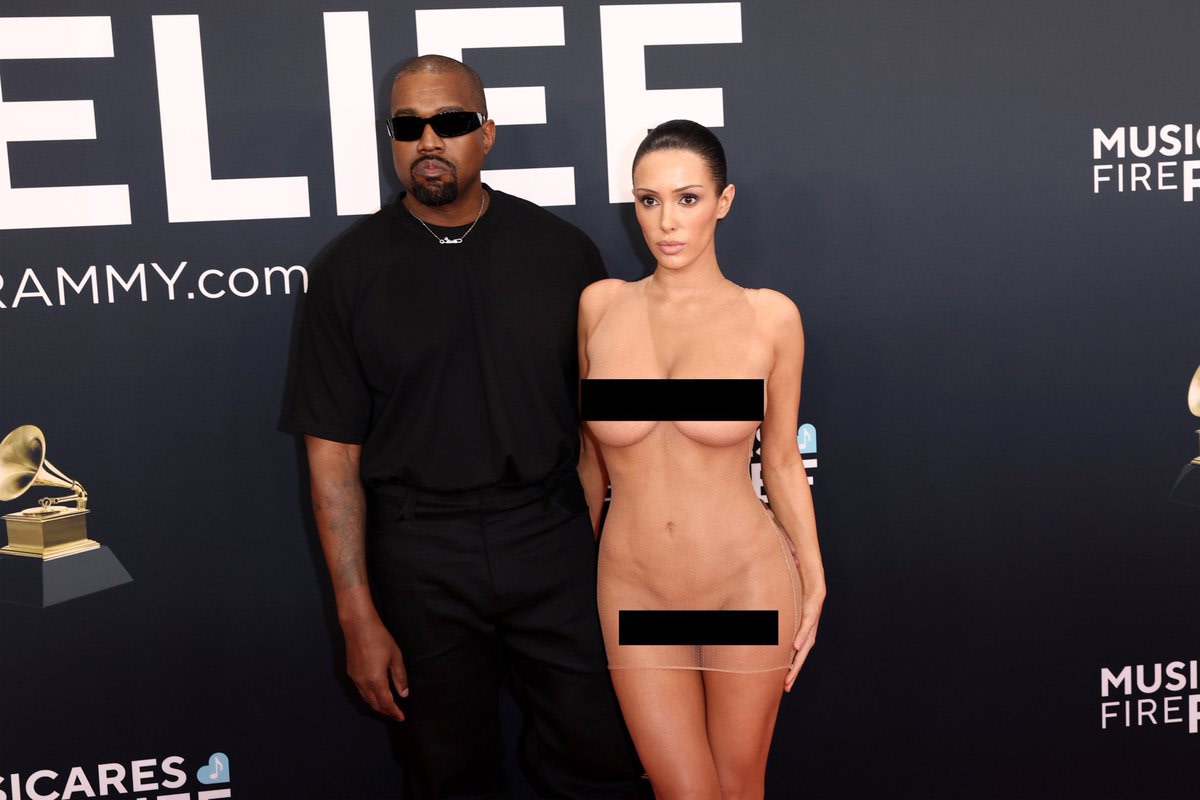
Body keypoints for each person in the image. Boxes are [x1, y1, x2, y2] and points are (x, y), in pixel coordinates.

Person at [285, 54, 644, 799]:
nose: (427, 140)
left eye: (448, 122)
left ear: (486, 133)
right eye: (406, 125)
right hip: (419, 555)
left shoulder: (565, 254)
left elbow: (601, 432)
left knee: (600, 758)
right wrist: (356, 614)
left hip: (552, 538)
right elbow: (331, 460)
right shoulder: (345, 273)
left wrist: (599, 546)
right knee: (446, 774)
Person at [577, 120, 826, 800]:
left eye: (688, 198)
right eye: (648, 200)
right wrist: (574, 566)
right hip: (634, 590)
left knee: (738, 785)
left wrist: (816, 574)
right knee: (681, 791)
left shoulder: (769, 318)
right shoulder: (600, 308)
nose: (666, 221)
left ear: (724, 200)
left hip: (741, 585)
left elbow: (779, 460)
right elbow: (589, 463)